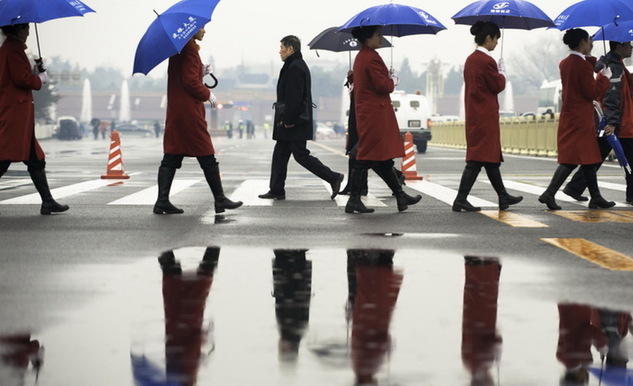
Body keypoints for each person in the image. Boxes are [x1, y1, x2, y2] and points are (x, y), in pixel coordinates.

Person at [153, 26, 242, 215]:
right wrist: (207, 93)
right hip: (189, 112)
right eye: (201, 27)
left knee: (172, 155)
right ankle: (220, 199)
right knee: (206, 154)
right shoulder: (190, 49)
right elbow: (189, 82)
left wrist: (200, 71)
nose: (204, 31)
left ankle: (162, 201)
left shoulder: (180, 48)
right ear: (191, 29)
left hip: (178, 110)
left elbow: (185, 76)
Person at [344, 26, 421, 214]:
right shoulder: (371, 57)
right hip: (374, 115)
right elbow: (382, 85)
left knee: (383, 159)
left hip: (370, 113)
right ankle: (353, 200)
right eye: (378, 34)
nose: (381, 37)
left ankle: (400, 196)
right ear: (368, 38)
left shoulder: (362, 56)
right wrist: (392, 80)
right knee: (365, 156)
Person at [258, 35, 343, 201]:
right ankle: (276, 189)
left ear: (290, 49)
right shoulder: (294, 65)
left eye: (282, 47)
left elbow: (294, 98)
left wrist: (288, 121)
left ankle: (333, 177)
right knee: (280, 155)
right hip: (292, 120)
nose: (279, 51)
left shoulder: (295, 67)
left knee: (301, 155)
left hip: (294, 122)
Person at [539, 29, 615, 210]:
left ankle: (595, 196)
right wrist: (604, 78)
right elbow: (591, 93)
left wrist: (592, 61)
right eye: (589, 41)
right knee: (573, 159)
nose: (591, 44)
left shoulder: (567, 62)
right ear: (582, 42)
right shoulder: (580, 65)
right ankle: (549, 193)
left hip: (572, 116)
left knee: (588, 158)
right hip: (580, 119)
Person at [452, 21, 523, 212]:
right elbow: (497, 86)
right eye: (496, 39)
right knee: (478, 159)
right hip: (485, 115)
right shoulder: (486, 60)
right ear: (488, 38)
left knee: (489, 158)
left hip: (476, 114)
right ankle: (461, 198)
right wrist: (502, 73)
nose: (497, 43)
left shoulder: (471, 59)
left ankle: (502, 196)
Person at [0, 23, 69, 215]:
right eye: (26, 28)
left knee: (35, 159)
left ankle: (47, 201)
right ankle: (47, 201)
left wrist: (37, 70)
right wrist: (39, 79)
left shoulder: (11, 49)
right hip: (16, 113)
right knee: (4, 157)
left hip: (18, 114)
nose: (29, 31)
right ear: (17, 29)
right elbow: (21, 79)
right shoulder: (12, 50)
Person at [563, 40, 633, 205]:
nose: (631, 48)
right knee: (629, 160)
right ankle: (631, 195)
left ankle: (575, 187)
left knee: (595, 158)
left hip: (615, 121)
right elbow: (612, 97)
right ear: (619, 46)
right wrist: (613, 122)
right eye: (629, 45)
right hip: (619, 123)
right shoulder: (613, 68)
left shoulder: (616, 66)